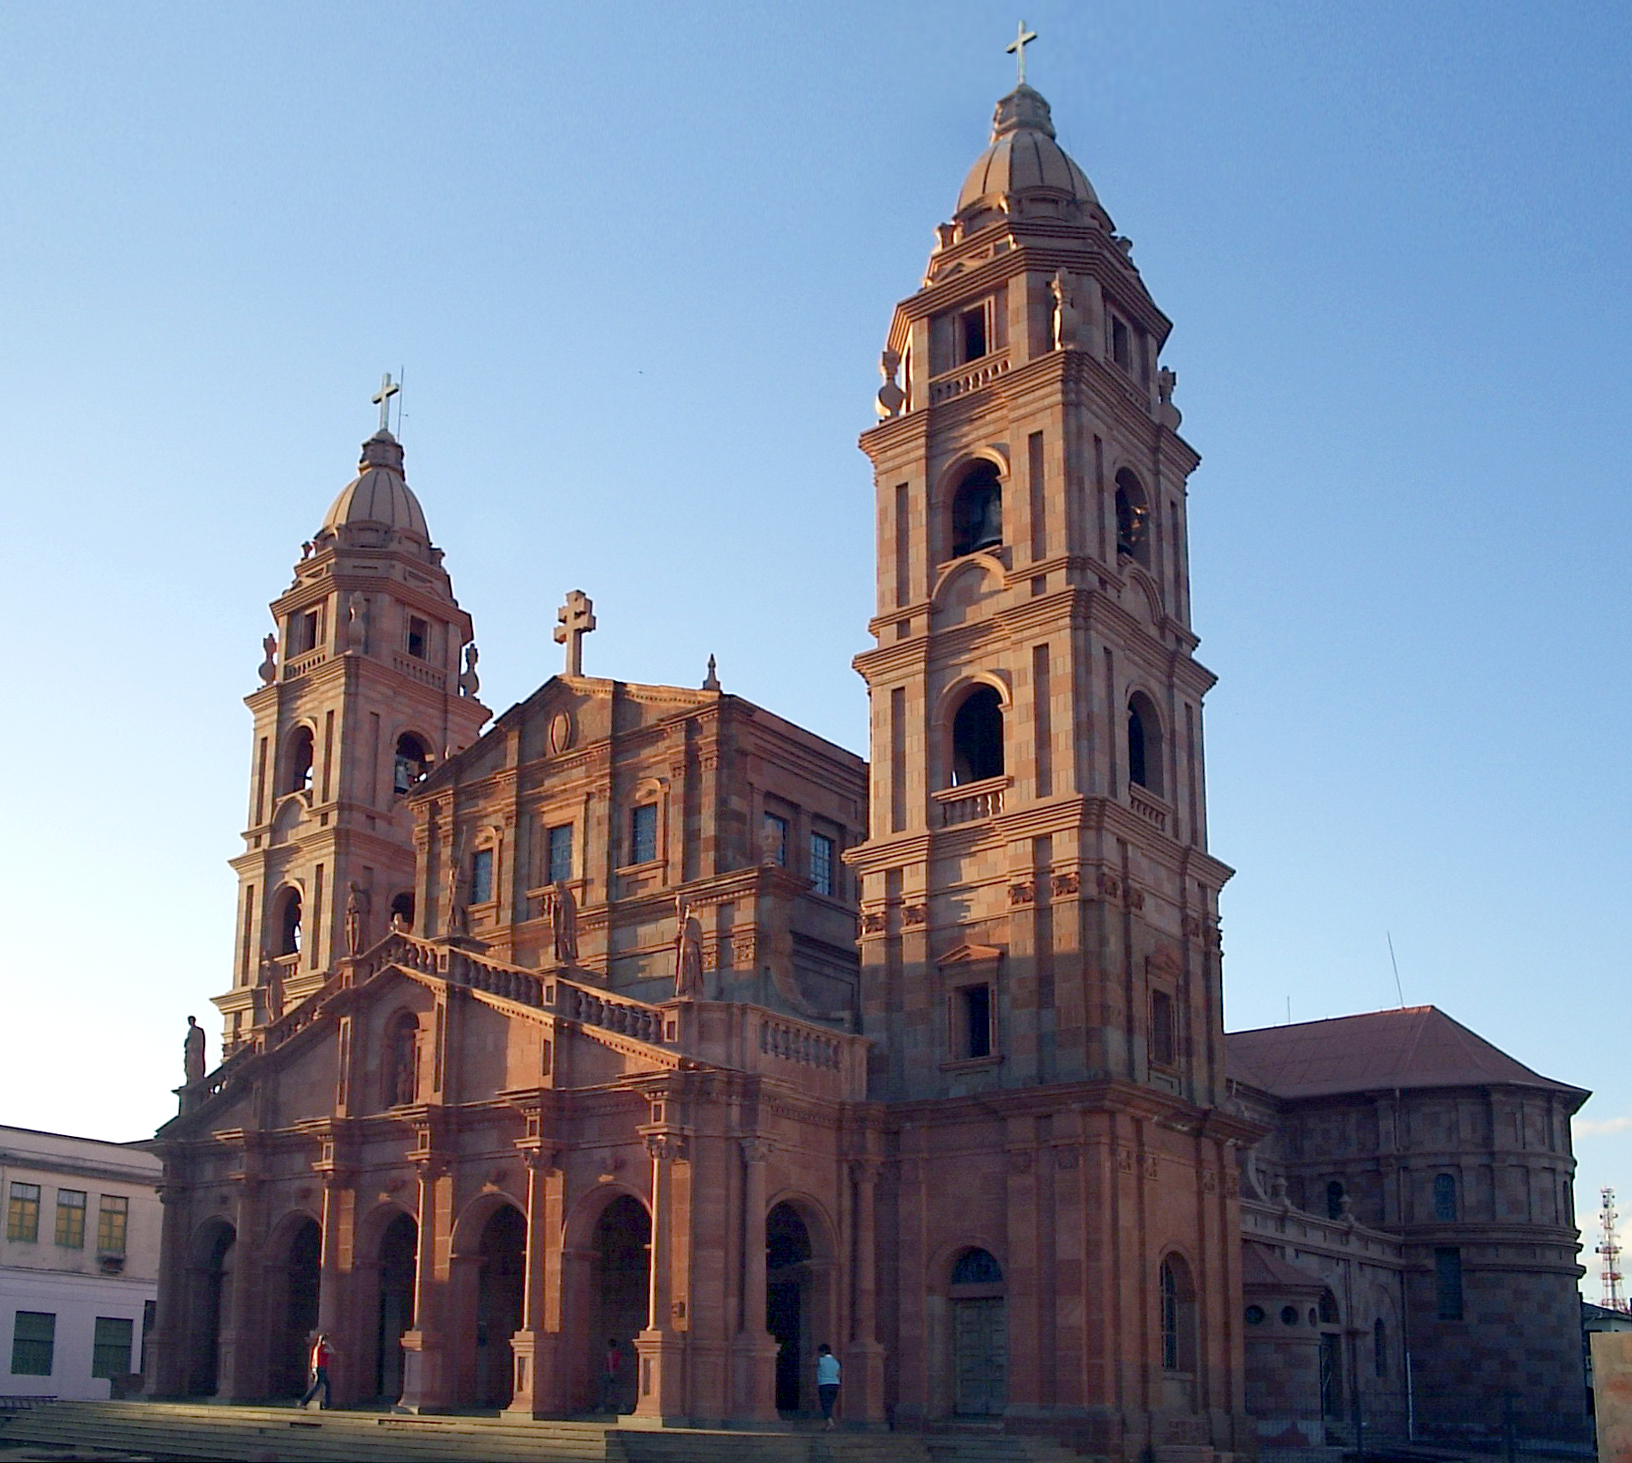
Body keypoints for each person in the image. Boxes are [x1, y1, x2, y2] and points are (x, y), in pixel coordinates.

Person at [298, 1332, 333, 1410]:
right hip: (321, 1368)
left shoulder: (316, 1348)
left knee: (325, 1385)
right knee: (318, 1386)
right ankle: (303, 1402)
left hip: (317, 1368)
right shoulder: (323, 1348)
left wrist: (313, 1370)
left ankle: (326, 1404)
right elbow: (332, 1351)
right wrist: (327, 1344)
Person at [816, 1342, 840, 1429]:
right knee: (830, 1404)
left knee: (825, 1404)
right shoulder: (835, 1362)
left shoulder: (820, 1360)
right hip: (835, 1384)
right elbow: (837, 1373)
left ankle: (830, 1422)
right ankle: (827, 1424)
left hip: (824, 1384)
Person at [599, 1336, 621, 1414]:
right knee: (616, 1391)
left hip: (608, 1373)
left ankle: (602, 1407)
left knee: (604, 1391)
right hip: (616, 1373)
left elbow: (610, 1363)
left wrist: (611, 1374)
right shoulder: (618, 1353)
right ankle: (621, 1406)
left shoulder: (609, 1353)